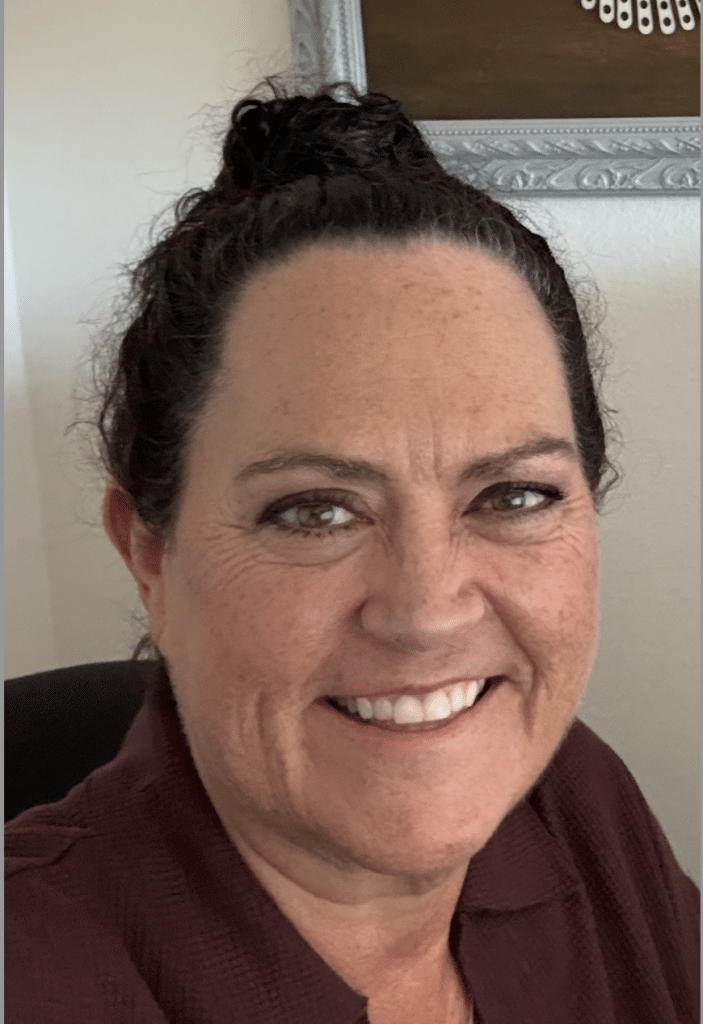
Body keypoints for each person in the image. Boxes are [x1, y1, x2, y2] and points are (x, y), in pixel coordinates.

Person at [5, 77, 699, 1024]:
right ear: (151, 559)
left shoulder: (572, 801)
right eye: (315, 512)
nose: (426, 614)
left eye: (513, 495)